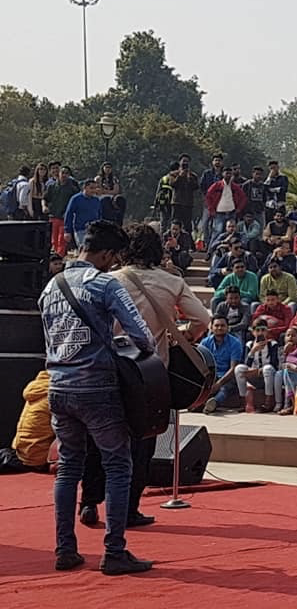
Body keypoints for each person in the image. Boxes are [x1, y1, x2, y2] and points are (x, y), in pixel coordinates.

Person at [39, 220, 156, 575]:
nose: (114, 263)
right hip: (96, 387)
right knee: (118, 464)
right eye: (114, 257)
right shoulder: (104, 284)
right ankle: (114, 551)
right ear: (105, 254)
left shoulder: (51, 286)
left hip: (58, 386)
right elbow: (142, 336)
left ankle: (65, 549)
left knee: (68, 467)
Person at [76, 224, 207, 530]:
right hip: (150, 373)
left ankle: (89, 502)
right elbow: (202, 318)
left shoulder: (109, 279)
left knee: (98, 438)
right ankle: (129, 509)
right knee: (142, 442)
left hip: (108, 368)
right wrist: (184, 335)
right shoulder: (171, 282)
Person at [234, 319, 282, 412]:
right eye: (257, 330)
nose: (260, 333)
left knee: (267, 368)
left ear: (267, 331)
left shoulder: (272, 344)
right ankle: (243, 401)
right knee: (239, 368)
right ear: (253, 332)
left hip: (267, 375)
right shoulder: (249, 344)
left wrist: (258, 371)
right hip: (253, 374)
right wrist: (253, 351)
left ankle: (268, 402)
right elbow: (246, 364)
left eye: (263, 330)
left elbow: (274, 364)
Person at [201, 316, 247, 414]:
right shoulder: (205, 342)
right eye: (216, 325)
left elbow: (233, 368)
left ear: (227, 327)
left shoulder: (235, 343)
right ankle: (201, 403)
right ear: (211, 328)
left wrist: (219, 383)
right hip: (211, 375)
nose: (219, 328)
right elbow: (201, 363)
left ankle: (214, 403)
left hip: (228, 376)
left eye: (222, 325)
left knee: (225, 388)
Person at [63, 179, 103, 249]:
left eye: (95, 188)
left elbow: (99, 215)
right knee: (83, 249)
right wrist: (67, 231)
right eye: (91, 188)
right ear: (85, 188)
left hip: (94, 231)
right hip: (80, 230)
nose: (93, 190)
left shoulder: (96, 200)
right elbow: (69, 214)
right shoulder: (76, 199)